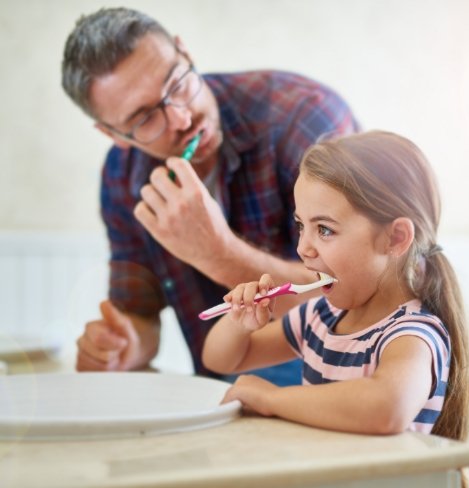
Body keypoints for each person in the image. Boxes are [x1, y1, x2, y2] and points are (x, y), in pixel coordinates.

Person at [61, 7, 359, 384]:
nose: (182, 118)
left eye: (177, 84)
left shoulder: (303, 118)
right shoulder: (122, 176)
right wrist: (125, 345)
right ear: (115, 136)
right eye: (144, 119)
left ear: (185, 53)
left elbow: (353, 293)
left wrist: (216, 253)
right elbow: (140, 314)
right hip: (222, 398)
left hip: (341, 390)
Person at [203, 131, 469, 442]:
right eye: (302, 226)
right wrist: (239, 324)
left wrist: (271, 399)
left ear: (396, 238)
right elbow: (223, 360)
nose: (304, 247)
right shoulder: (319, 317)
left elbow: (387, 406)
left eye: (325, 230)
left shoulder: (412, 333)